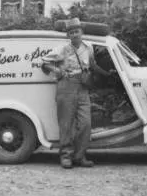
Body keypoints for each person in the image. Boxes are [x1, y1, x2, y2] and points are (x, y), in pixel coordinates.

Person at [41, 18, 115, 169]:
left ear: (82, 32)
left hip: (83, 88)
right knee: (66, 124)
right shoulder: (62, 49)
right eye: (71, 32)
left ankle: (80, 156)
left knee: (85, 123)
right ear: (68, 35)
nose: (75, 35)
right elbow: (44, 62)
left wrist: (107, 74)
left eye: (77, 31)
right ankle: (66, 156)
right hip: (66, 86)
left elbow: (92, 65)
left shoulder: (89, 48)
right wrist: (57, 71)